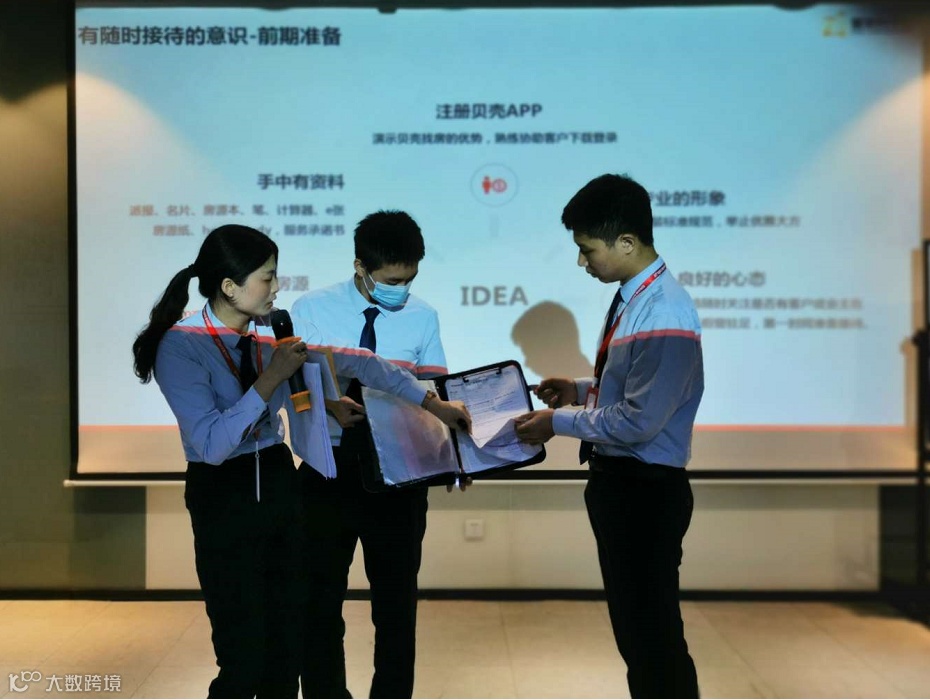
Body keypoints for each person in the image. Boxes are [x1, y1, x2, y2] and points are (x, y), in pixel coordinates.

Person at [131, 224, 470, 699]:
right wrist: (272, 379)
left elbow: (364, 363)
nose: (277, 287)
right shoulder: (182, 344)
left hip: (279, 483)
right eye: (267, 277)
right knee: (242, 656)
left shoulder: (268, 335)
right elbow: (211, 445)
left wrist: (434, 406)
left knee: (287, 647)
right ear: (229, 286)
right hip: (224, 495)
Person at [514, 174, 704, 699]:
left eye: (587, 249)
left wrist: (556, 422)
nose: (582, 262)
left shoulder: (663, 310)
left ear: (626, 242)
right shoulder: (634, 298)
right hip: (624, 486)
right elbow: (630, 383)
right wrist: (578, 389)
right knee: (640, 638)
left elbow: (640, 421)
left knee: (653, 641)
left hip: (644, 491)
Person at [291, 210, 449, 699]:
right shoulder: (310, 308)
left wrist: (451, 454)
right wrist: (326, 405)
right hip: (327, 471)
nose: (402, 289)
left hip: (399, 477)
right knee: (318, 604)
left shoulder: (424, 316)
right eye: (392, 281)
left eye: (409, 279)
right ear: (360, 266)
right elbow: (291, 388)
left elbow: (435, 395)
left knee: (396, 609)